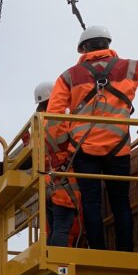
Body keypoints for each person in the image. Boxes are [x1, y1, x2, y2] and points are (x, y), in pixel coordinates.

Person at [47, 25, 138, 251]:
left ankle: (97, 250)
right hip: (119, 149)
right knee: (120, 202)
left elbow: (53, 116)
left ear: (83, 49)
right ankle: (126, 250)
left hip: (83, 150)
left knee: (91, 201)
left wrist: (64, 147)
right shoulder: (130, 67)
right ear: (108, 44)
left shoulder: (68, 76)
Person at [33, 81, 82, 247]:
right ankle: (57, 262)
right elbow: (74, 147)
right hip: (63, 184)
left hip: (48, 184)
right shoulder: (60, 121)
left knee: (54, 228)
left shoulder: (38, 125)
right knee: (62, 227)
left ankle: (50, 259)